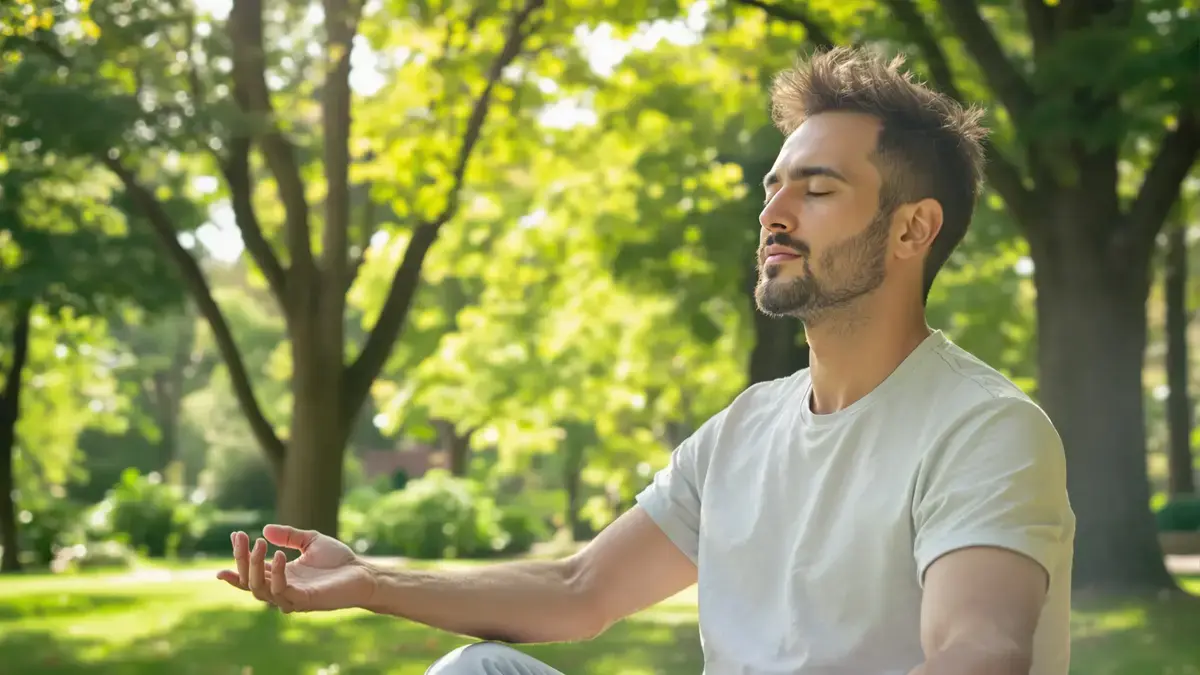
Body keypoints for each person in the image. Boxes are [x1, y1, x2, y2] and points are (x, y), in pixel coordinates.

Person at [218, 46, 1075, 675]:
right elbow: (579, 586)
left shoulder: (983, 428)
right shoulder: (744, 430)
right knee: (479, 672)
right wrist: (370, 580)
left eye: (816, 189)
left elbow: (979, 650)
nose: (775, 213)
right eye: (772, 187)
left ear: (911, 229)